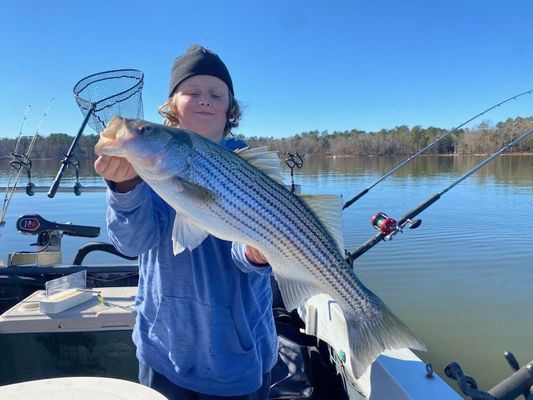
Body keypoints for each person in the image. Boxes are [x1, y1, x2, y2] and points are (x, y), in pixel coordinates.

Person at [94, 44, 278, 400]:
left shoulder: (251, 168)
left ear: (230, 108)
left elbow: (246, 251)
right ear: (172, 107)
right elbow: (131, 243)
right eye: (191, 92)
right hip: (163, 349)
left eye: (216, 94)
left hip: (236, 354)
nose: (205, 100)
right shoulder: (146, 170)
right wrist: (125, 187)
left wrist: (257, 254)